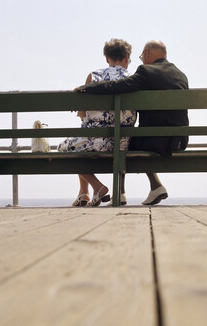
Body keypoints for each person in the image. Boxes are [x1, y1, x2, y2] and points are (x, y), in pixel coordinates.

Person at [74, 40, 189, 205]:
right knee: (128, 138)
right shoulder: (180, 74)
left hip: (154, 141)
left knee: (125, 141)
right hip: (179, 140)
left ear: (148, 53)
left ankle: (120, 192)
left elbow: (118, 85)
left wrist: (87, 88)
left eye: (142, 56)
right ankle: (154, 186)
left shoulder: (146, 71)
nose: (142, 60)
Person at [58, 38, 136, 207]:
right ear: (127, 57)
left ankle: (97, 186)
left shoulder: (94, 76)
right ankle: (84, 194)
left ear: (107, 58)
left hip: (97, 142)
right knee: (79, 141)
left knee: (63, 148)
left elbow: (82, 114)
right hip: (123, 143)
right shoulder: (134, 79)